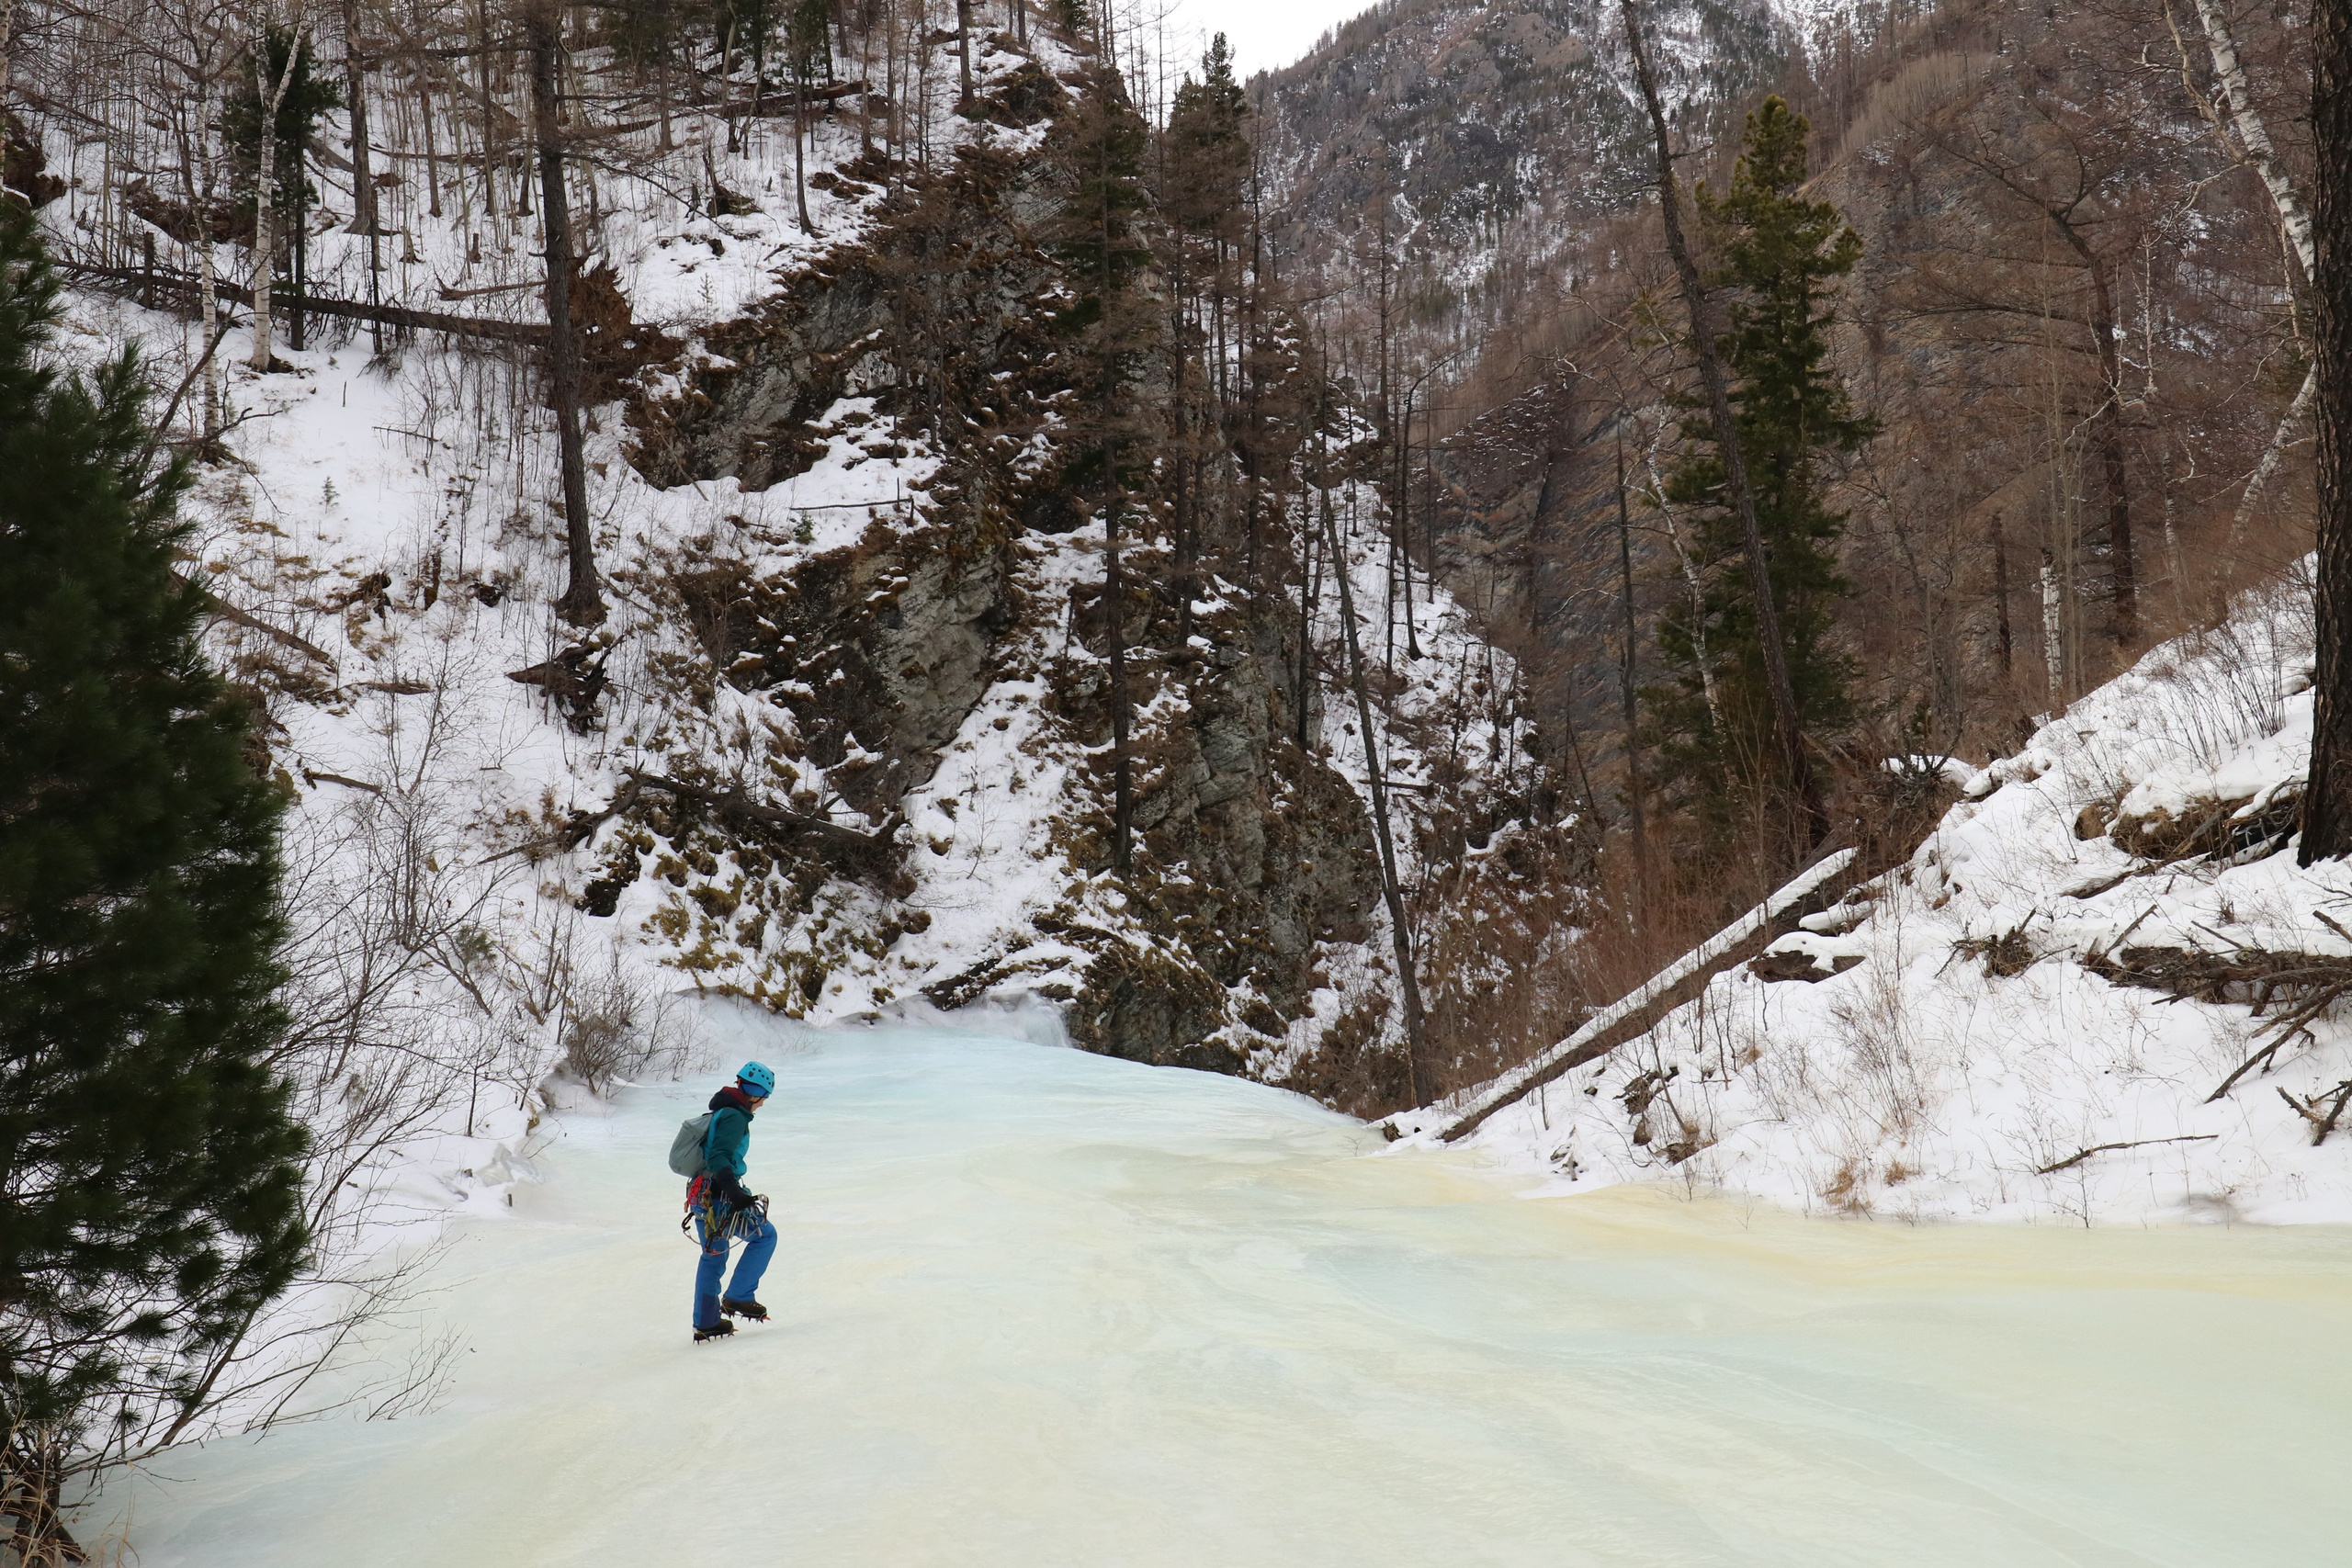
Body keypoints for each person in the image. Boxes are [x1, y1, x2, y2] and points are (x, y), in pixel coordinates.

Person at [687, 1061, 778, 1343]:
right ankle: (739, 1296)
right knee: (765, 1236)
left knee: (714, 1255)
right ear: (755, 1095)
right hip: (719, 1196)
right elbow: (718, 1157)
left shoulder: (724, 1110)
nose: (763, 1104)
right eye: (764, 1098)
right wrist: (734, 1192)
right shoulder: (734, 1117)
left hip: (703, 1195)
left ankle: (706, 1320)